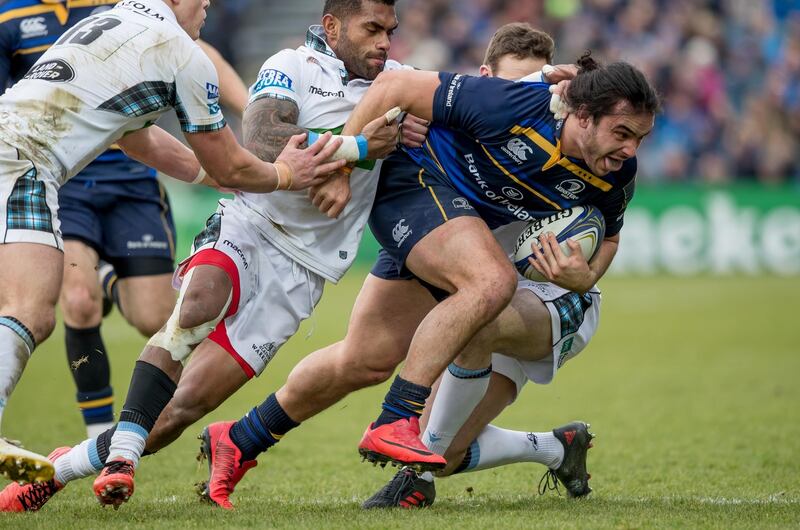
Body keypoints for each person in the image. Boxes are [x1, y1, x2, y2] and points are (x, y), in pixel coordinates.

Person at [0, 0, 410, 512]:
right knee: (192, 308)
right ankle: (121, 454)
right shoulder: (288, 65)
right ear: (332, 25)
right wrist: (353, 151)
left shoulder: (401, 82)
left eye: (390, 31)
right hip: (251, 224)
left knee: (179, 409)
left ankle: (58, 471)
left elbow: (141, 138)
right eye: (372, 28)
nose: (384, 41)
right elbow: (259, 143)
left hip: (308, 268)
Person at [186, 23, 604, 511]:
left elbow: (606, 221)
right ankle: (240, 439)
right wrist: (369, 146)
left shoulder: (576, 143)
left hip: (539, 297)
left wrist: (587, 273)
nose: (524, 101)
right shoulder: (467, 105)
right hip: (447, 247)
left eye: (537, 91)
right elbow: (389, 98)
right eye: (511, 86)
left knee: (444, 438)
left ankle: (413, 446)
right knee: (361, 358)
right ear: (485, 76)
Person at [0, 0, 250, 442]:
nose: (208, 2)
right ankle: (98, 434)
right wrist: (277, 175)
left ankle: (106, 273)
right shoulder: (10, 15)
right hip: (57, 173)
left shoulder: (121, 8)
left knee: (152, 316)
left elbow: (196, 59)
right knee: (73, 301)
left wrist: (250, 111)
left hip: (129, 180)